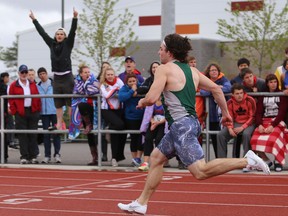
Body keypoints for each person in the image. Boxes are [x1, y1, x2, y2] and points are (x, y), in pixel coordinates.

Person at [117, 33, 270, 215]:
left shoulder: (164, 69)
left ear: (170, 52)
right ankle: (141, 203)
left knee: (200, 171)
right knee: (156, 159)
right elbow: (216, 89)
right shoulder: (192, 71)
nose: (159, 52)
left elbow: (150, 98)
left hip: (182, 126)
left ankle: (247, 160)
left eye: (161, 48)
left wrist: (142, 102)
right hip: (187, 124)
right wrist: (227, 115)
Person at [29, 9, 78, 130]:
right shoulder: (51, 43)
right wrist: (34, 20)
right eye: (57, 34)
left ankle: (73, 124)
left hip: (67, 76)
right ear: (55, 36)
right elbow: (42, 33)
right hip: (56, 78)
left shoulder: (68, 43)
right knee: (58, 103)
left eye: (61, 34)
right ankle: (59, 124)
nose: (59, 36)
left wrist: (75, 18)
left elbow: (73, 31)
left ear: (64, 36)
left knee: (69, 101)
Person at [250, 74, 288, 172]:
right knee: (254, 139)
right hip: (265, 120)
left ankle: (278, 161)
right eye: (271, 82)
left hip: (277, 121)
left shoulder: (281, 94)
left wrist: (273, 125)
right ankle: (265, 160)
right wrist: (260, 125)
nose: (273, 84)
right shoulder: (263, 95)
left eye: (275, 82)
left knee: (274, 138)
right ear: (267, 83)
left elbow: (282, 112)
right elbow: (258, 112)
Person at [8, 65, 41, 164]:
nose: (24, 74)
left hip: (32, 111)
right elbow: (10, 99)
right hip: (20, 112)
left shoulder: (32, 84)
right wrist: (15, 111)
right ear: (18, 73)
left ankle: (33, 156)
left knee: (33, 134)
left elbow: (37, 97)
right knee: (22, 135)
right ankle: (24, 156)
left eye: (25, 72)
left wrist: (37, 109)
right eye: (22, 72)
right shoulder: (14, 85)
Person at [217, 83, 256, 162]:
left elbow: (252, 117)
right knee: (220, 135)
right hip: (235, 123)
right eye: (237, 94)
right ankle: (222, 161)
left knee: (246, 134)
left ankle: (247, 161)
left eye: (241, 93)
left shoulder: (250, 100)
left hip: (249, 123)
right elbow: (229, 117)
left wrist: (242, 127)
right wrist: (230, 129)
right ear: (233, 94)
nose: (240, 95)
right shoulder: (229, 103)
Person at [200, 63, 231, 158]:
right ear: (208, 72)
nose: (214, 72)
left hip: (223, 115)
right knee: (214, 137)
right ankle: (218, 158)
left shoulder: (223, 79)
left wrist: (213, 89)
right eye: (212, 70)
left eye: (215, 70)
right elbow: (202, 92)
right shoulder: (205, 80)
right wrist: (216, 89)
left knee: (222, 137)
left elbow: (228, 88)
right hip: (212, 115)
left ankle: (224, 158)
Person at [71, 65, 101, 165]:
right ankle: (94, 157)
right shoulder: (77, 82)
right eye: (85, 72)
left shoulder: (94, 81)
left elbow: (95, 90)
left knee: (101, 133)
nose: (88, 74)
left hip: (95, 108)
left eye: (88, 72)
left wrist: (87, 88)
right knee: (90, 135)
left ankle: (104, 156)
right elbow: (76, 93)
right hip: (84, 112)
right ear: (81, 74)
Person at [100, 67, 126, 167]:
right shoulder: (104, 84)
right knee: (119, 124)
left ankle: (115, 157)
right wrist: (116, 90)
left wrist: (115, 91)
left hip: (118, 110)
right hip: (106, 110)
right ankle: (109, 129)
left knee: (118, 130)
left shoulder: (119, 81)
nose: (110, 76)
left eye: (111, 74)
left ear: (114, 75)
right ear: (105, 76)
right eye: (108, 75)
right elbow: (106, 95)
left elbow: (123, 92)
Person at [119, 73, 144, 167]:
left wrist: (138, 92)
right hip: (130, 117)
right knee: (134, 138)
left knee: (141, 137)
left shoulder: (141, 86)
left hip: (141, 116)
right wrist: (131, 92)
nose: (132, 83)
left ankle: (139, 157)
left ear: (137, 80)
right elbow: (121, 97)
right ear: (127, 82)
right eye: (130, 81)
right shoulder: (124, 88)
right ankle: (134, 159)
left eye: (134, 81)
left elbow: (148, 92)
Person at [37, 67, 61, 164]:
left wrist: (61, 112)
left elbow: (60, 98)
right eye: (40, 74)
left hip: (54, 112)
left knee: (56, 134)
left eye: (43, 73)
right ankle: (47, 156)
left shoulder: (54, 84)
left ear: (47, 74)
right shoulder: (37, 86)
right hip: (44, 113)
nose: (42, 75)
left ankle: (57, 154)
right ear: (38, 76)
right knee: (46, 135)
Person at [138, 97, 166, 171]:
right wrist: (152, 121)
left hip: (164, 123)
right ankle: (146, 162)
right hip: (153, 122)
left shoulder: (168, 101)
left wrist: (158, 123)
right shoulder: (152, 101)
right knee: (147, 138)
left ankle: (158, 161)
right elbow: (148, 114)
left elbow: (170, 115)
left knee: (159, 139)